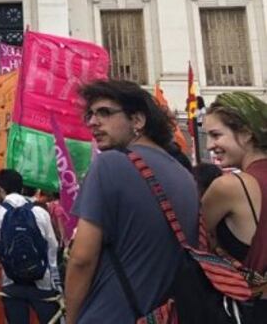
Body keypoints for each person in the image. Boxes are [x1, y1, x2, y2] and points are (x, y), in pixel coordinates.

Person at [65, 79, 199, 323]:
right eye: (90, 115)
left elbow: (82, 259)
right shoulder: (184, 175)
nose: (93, 122)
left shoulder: (110, 164)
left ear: (137, 120)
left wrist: (71, 319)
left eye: (104, 113)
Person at [201, 92, 267, 321]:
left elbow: (188, 241)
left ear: (247, 134)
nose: (210, 145)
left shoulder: (230, 186)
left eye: (216, 135)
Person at [0, 169, 59, 324]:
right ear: (21, 188)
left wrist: (8, 258)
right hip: (43, 282)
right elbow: (52, 250)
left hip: (11, 282)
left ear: (0, 189)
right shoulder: (40, 212)